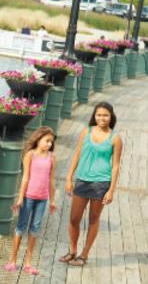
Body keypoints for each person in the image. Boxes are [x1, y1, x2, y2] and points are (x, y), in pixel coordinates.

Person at [60, 102, 123, 267]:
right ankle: (72, 250)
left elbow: (116, 165)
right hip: (82, 180)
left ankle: (84, 254)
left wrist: (111, 190)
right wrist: (68, 179)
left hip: (101, 183)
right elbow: (76, 155)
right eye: (99, 115)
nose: (102, 118)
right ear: (94, 116)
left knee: (93, 220)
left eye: (106, 115)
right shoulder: (86, 132)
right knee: (74, 218)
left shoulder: (115, 138)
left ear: (111, 117)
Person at [4, 126, 58, 276]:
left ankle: (28, 262)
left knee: (35, 228)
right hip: (28, 197)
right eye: (47, 141)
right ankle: (12, 260)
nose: (49, 144)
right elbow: (25, 177)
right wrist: (20, 198)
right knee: (21, 226)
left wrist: (52, 200)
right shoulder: (30, 155)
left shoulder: (52, 157)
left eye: (51, 142)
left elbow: (51, 180)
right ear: (38, 139)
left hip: (43, 198)